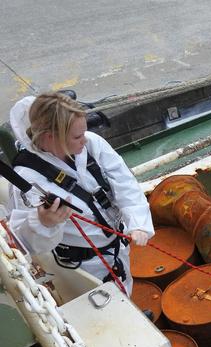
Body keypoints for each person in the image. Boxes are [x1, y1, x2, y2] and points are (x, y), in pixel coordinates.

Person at [7, 92, 154, 295]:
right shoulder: (28, 179)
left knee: (124, 285)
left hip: (116, 248)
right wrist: (43, 223)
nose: (84, 140)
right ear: (51, 137)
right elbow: (23, 242)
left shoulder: (91, 144)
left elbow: (124, 182)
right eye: (77, 136)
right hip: (83, 266)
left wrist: (138, 223)